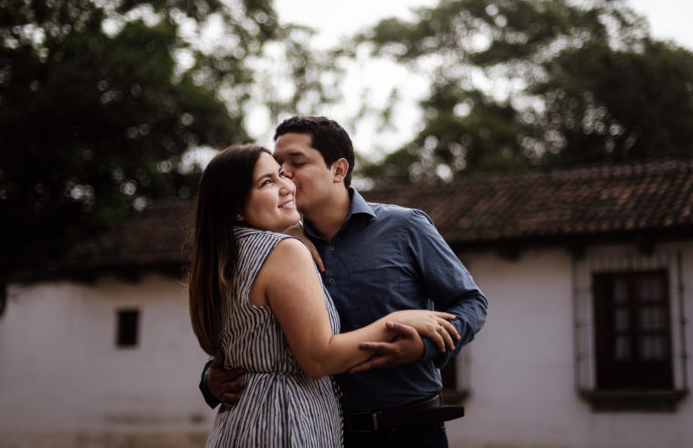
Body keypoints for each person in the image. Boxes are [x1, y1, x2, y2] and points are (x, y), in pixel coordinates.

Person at [201, 117, 488, 447]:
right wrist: (211, 378)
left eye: (296, 163)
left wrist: (424, 346)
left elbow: (471, 302)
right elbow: (258, 335)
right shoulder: (276, 248)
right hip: (322, 431)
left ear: (338, 170)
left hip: (411, 429)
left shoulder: (406, 227)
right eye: (278, 167)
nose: (285, 175)